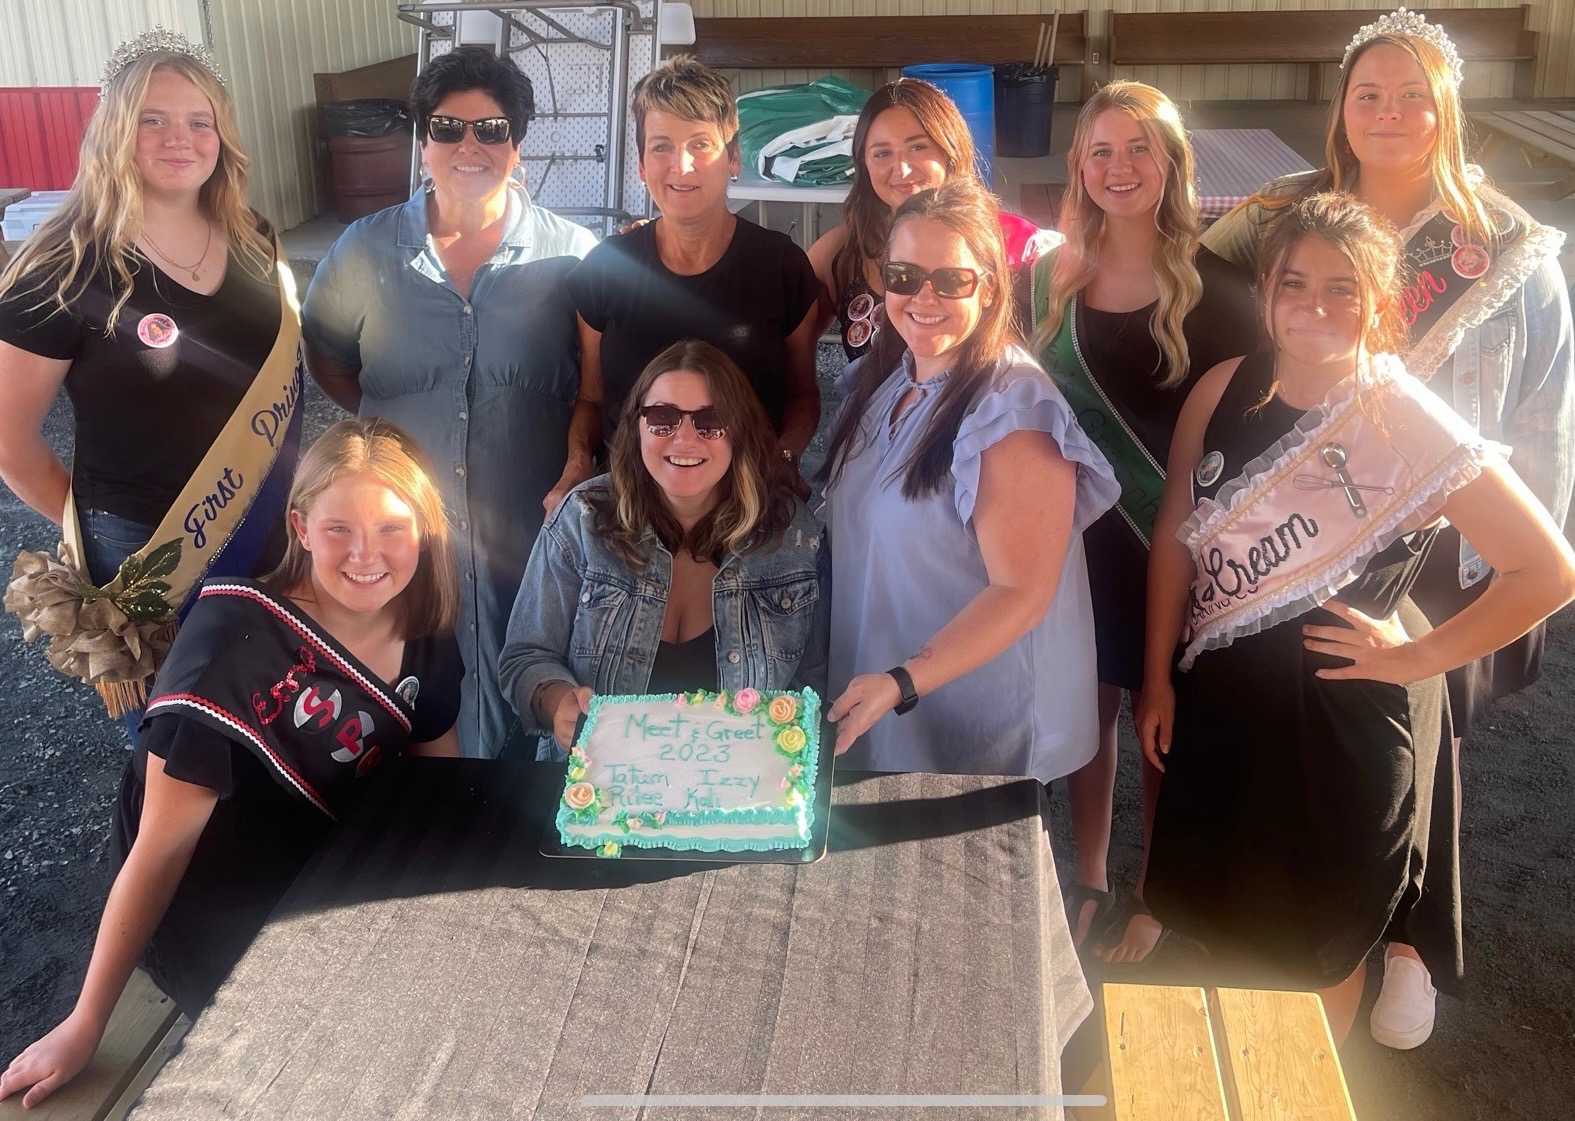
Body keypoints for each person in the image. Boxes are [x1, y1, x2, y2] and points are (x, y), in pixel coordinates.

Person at [1199, 6, 1573, 1045]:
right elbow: (1201, 293)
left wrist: (1500, 563)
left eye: (1414, 93)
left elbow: (1542, 421)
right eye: (1370, 92)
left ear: (1447, 107)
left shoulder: (1509, 248)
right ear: (1343, 110)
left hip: (1443, 540)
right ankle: (1309, 922)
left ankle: (1409, 937)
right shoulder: (1289, 215)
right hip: (1302, 516)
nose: (1392, 112)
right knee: (1319, 729)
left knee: (1420, 719)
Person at [0, 418, 463, 1108]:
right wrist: (86, 1020)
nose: (367, 553)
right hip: (219, 902)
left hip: (333, 870)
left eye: (393, 528)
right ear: (301, 528)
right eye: (340, 529)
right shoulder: (230, 645)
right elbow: (159, 852)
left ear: (425, 531)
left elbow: (437, 785)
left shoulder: (423, 627)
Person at [0, 32, 303, 738]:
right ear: (114, 132)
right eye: (153, 119)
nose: (181, 139)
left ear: (222, 138)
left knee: (270, 715)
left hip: (269, 523)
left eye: (200, 122)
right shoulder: (63, 266)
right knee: (177, 742)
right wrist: (96, 537)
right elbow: (9, 439)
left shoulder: (255, 240)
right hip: (148, 547)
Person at [303, 46, 596, 760]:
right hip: (403, 543)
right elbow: (332, 364)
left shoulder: (572, 257)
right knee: (408, 707)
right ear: (421, 139)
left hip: (526, 535)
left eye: (491, 130)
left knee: (539, 688)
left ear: (518, 146)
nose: (470, 146)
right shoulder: (363, 253)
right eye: (448, 128)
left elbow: (595, 389)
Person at [1029, 82, 1260, 961]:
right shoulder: (1046, 279)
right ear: (1077, 167)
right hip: (1080, 538)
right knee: (1086, 712)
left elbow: (1245, 436)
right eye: (1099, 151)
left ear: (1170, 163)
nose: (1118, 168)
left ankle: (1159, 883)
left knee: (1162, 716)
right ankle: (1090, 875)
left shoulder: (1223, 290)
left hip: (1178, 541)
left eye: (1138, 150)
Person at [820, 178, 1118, 778]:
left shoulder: (1013, 410)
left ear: (988, 287)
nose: (922, 296)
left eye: (951, 279)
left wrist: (903, 681)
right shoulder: (893, 380)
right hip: (884, 698)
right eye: (902, 276)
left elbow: (1021, 591)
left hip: (967, 721)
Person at [501, 340, 827, 758]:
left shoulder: (795, 535)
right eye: (662, 418)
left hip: (736, 809)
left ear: (740, 430)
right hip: (596, 801)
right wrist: (556, 701)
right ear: (636, 425)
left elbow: (812, 688)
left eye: (711, 420)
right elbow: (525, 656)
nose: (684, 438)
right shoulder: (582, 519)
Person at [554, 56, 821, 506]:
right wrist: (576, 470)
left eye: (701, 144)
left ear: (733, 158)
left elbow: (803, 396)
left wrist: (783, 458)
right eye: (661, 146)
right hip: (631, 508)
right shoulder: (606, 269)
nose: (681, 165)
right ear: (640, 164)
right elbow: (592, 401)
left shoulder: (781, 267)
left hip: (747, 505)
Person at [808, 77, 1057, 363]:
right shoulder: (841, 253)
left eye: (918, 147)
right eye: (882, 153)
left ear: (950, 151)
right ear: (864, 164)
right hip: (873, 409)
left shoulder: (1015, 245)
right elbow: (781, 346)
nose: (901, 169)